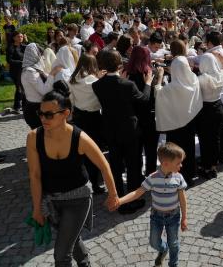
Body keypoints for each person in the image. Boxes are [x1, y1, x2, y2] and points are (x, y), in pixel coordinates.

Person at [26, 81, 119, 267]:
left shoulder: (80, 137)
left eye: (49, 114)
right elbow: (35, 176)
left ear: (65, 114)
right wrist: (37, 208)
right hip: (51, 201)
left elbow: (103, 165)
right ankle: (85, 264)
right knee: (71, 238)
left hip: (78, 199)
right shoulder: (33, 137)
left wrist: (113, 194)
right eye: (41, 113)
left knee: (61, 255)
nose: (43, 118)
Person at [92, 50, 153, 214]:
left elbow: (112, 91)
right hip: (129, 130)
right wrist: (148, 82)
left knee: (116, 165)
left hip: (111, 130)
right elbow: (144, 100)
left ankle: (116, 197)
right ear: (120, 65)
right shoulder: (127, 85)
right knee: (133, 165)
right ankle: (132, 200)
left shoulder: (96, 84)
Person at [119, 142, 188, 267]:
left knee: (174, 243)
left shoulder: (178, 178)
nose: (181, 165)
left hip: (173, 216)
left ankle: (174, 264)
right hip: (156, 216)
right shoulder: (152, 178)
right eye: (178, 163)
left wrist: (184, 217)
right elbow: (137, 193)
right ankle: (163, 249)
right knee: (154, 242)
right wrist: (120, 201)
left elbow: (182, 199)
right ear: (166, 163)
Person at [155, 40, 203, 186]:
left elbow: (159, 93)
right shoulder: (193, 80)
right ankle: (190, 174)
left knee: (175, 151)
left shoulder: (171, 88)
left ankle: (177, 176)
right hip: (189, 121)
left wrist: (159, 78)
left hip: (175, 126)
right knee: (188, 148)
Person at [68, 53, 105, 194]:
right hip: (94, 118)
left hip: (79, 117)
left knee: (83, 150)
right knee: (96, 149)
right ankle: (97, 181)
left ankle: (91, 181)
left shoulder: (72, 79)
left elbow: (71, 100)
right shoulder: (94, 81)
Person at [124, 46, 159, 176]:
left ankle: (136, 176)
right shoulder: (150, 72)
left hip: (133, 117)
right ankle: (151, 174)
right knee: (151, 150)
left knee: (136, 151)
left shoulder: (126, 73)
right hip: (148, 116)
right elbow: (154, 97)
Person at [197, 52, 223, 179]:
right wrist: (220, 57)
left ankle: (205, 166)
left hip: (204, 110)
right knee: (215, 138)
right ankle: (213, 166)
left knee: (204, 139)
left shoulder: (199, 79)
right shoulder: (221, 75)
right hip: (218, 107)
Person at [21, 43, 60, 129]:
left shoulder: (33, 69)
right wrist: (52, 74)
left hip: (38, 107)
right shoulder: (30, 72)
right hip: (35, 109)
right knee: (41, 137)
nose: (42, 57)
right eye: (40, 54)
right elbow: (44, 91)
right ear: (34, 55)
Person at [6, 31, 27, 112]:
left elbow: (31, 50)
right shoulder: (11, 47)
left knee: (24, 88)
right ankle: (17, 106)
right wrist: (21, 62)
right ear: (14, 38)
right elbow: (9, 60)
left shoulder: (23, 46)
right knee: (19, 88)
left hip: (24, 70)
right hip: (15, 71)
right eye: (18, 36)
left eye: (21, 36)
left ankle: (22, 104)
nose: (20, 38)